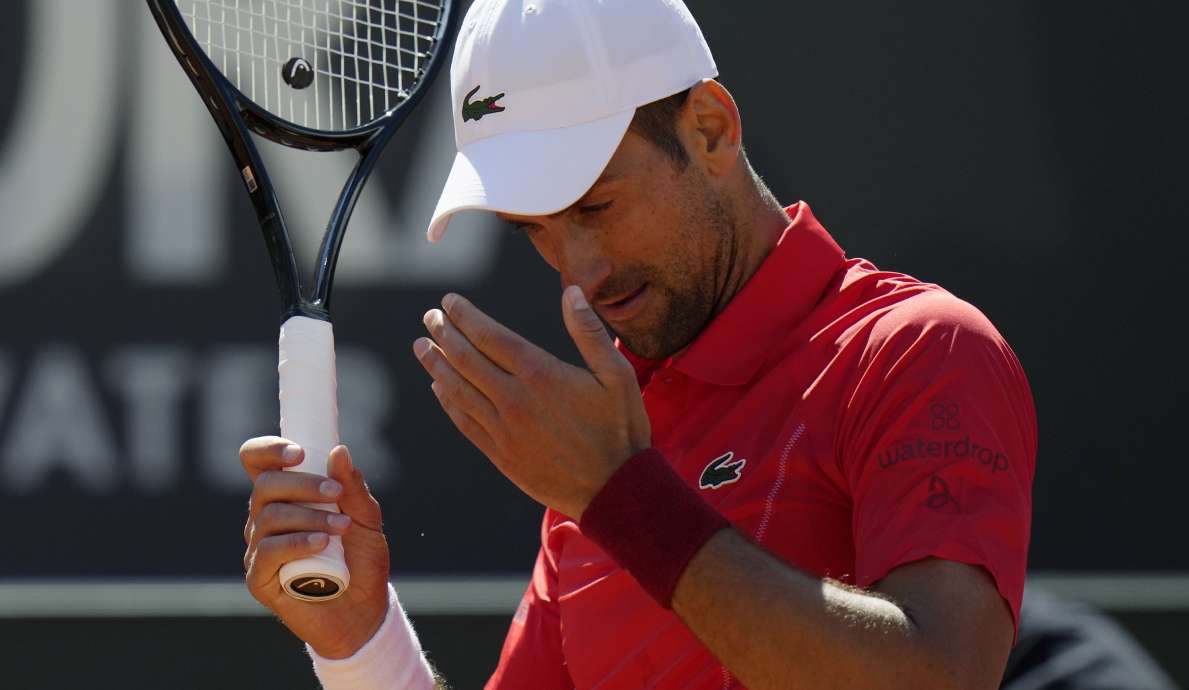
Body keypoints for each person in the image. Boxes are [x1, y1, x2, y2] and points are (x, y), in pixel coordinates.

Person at [238, 0, 1037, 688]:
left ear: (712, 129)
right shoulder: (601, 458)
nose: (578, 273)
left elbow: (946, 675)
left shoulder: (918, 351)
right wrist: (359, 641)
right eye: (535, 232)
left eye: (596, 206)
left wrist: (620, 497)